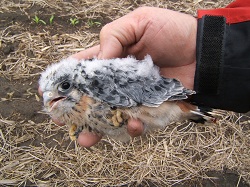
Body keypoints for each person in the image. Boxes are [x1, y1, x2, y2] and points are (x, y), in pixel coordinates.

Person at [46, 0, 250, 147]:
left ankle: (197, 112)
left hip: (166, 100)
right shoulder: (80, 99)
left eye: (63, 87)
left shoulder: (99, 82)